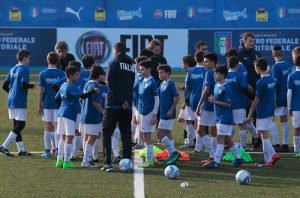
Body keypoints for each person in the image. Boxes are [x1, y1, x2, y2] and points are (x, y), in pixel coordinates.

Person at [55, 66, 98, 169]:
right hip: (69, 114)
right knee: (69, 137)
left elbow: (56, 99)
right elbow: (82, 96)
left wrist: (65, 103)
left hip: (61, 112)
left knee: (63, 136)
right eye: (76, 75)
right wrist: (93, 91)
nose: (78, 77)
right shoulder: (72, 86)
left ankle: (59, 160)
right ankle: (67, 161)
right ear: (70, 76)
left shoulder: (63, 85)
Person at [101, 42, 135, 172]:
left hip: (113, 104)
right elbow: (132, 83)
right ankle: (127, 163)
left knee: (107, 133)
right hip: (127, 105)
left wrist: (120, 100)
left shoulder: (113, 63)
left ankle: (108, 163)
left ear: (115, 51)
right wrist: (126, 101)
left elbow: (110, 84)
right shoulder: (131, 65)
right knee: (126, 134)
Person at [205, 66, 243, 169]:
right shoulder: (216, 85)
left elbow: (228, 104)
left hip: (225, 117)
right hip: (218, 117)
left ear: (222, 75)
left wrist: (214, 101)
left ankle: (216, 161)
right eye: (214, 74)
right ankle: (239, 159)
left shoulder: (227, 88)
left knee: (220, 138)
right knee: (227, 139)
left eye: (216, 74)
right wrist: (213, 99)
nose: (214, 75)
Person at [0, 50, 35, 157]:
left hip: (11, 100)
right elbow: (23, 85)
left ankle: (21, 150)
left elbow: (4, 85)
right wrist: (31, 85)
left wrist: (12, 93)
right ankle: (4, 146)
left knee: (16, 125)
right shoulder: (24, 69)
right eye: (29, 58)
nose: (29, 60)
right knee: (21, 125)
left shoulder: (13, 68)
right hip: (19, 101)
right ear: (24, 58)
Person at [246, 58, 280, 167]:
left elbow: (256, 100)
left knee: (263, 135)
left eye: (255, 67)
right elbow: (274, 96)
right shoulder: (271, 79)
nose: (255, 69)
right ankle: (273, 155)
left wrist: (250, 115)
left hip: (263, 112)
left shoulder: (260, 82)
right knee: (261, 133)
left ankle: (267, 160)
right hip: (269, 111)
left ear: (258, 68)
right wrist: (273, 110)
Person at [38, 52, 65, 157]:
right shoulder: (62, 73)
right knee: (57, 127)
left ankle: (47, 151)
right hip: (59, 104)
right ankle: (58, 149)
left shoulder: (43, 74)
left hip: (47, 104)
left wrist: (39, 105)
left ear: (47, 60)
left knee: (48, 127)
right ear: (58, 61)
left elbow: (41, 92)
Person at [80, 65, 105, 168]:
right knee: (92, 137)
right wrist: (104, 112)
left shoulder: (87, 84)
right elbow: (96, 103)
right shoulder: (95, 85)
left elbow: (81, 99)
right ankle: (86, 161)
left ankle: (87, 160)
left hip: (84, 114)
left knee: (86, 137)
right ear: (99, 75)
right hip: (92, 116)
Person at [196, 53, 218, 165]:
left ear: (213, 62)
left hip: (207, 105)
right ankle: (213, 157)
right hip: (215, 105)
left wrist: (199, 104)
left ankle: (213, 155)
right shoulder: (217, 72)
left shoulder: (209, 72)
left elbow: (206, 89)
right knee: (213, 130)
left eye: (206, 61)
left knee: (200, 130)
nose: (204, 63)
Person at [157, 64, 181, 165]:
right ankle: (172, 156)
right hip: (163, 112)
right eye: (159, 73)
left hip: (167, 113)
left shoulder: (170, 83)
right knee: (167, 133)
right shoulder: (162, 84)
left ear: (168, 73)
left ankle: (174, 152)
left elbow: (177, 97)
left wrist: (171, 109)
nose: (160, 74)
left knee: (159, 133)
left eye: (162, 72)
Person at [137, 59, 159, 168]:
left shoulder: (152, 82)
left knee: (147, 137)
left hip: (148, 113)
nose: (140, 71)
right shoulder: (141, 80)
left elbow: (157, 100)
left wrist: (155, 114)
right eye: (140, 69)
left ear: (149, 69)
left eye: (142, 69)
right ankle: (151, 158)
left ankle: (149, 160)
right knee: (144, 136)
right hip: (141, 112)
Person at [183, 51, 206, 153]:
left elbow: (187, 86)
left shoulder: (190, 71)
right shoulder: (207, 71)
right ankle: (199, 145)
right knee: (200, 123)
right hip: (204, 100)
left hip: (193, 99)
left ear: (195, 59)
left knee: (196, 122)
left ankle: (196, 144)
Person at [269, 45, 290, 152]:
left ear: (273, 54)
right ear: (282, 53)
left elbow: (275, 85)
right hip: (286, 97)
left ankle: (276, 144)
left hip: (278, 97)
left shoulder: (275, 67)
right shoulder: (286, 64)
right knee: (284, 119)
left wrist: (273, 100)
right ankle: (285, 144)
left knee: (270, 119)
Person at [225, 56, 249, 148]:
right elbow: (243, 87)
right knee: (242, 124)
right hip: (239, 103)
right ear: (236, 64)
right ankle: (243, 145)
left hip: (228, 104)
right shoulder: (240, 75)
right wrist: (249, 96)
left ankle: (227, 143)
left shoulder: (225, 75)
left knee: (231, 124)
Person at [178, 55, 197, 149]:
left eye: (182, 63)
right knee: (181, 120)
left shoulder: (191, 72)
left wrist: (186, 101)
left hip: (190, 102)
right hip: (189, 101)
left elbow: (193, 88)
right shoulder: (189, 72)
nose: (181, 65)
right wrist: (183, 88)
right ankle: (194, 137)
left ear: (186, 64)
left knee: (188, 121)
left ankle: (191, 142)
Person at [132, 56, 148, 149]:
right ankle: (137, 141)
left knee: (139, 122)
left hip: (140, 103)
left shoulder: (143, 77)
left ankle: (140, 142)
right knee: (135, 121)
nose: (136, 66)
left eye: (137, 64)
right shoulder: (136, 74)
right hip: (135, 102)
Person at [287, 54, 300, 158]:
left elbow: (289, 93)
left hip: (296, 108)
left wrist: (289, 107)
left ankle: (296, 150)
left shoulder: (291, 76)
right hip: (296, 107)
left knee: (297, 128)